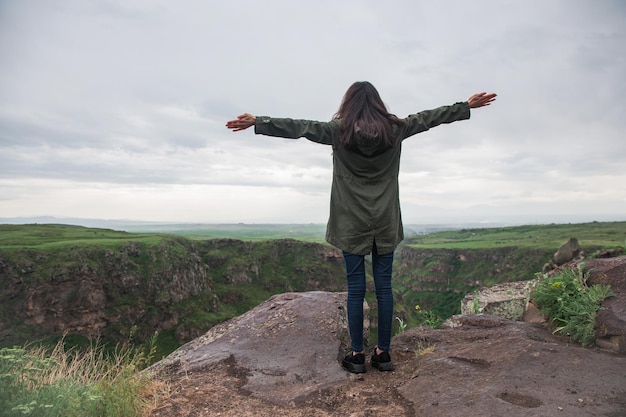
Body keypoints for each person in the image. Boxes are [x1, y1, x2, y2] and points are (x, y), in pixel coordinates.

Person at [226, 82, 496, 374]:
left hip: (351, 221)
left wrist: (259, 122)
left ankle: (356, 356)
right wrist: (464, 106)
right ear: (378, 104)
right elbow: (429, 118)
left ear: (348, 104)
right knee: (385, 288)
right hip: (386, 221)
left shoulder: (337, 131)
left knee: (355, 290)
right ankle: (383, 354)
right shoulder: (397, 128)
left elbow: (301, 127)